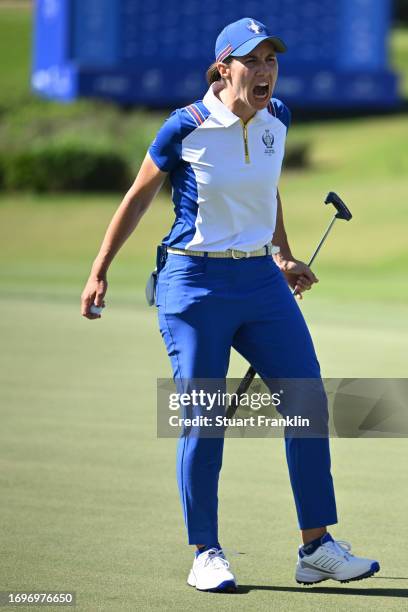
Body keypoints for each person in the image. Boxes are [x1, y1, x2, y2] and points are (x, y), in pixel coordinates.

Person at [81, 17, 380, 594]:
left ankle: (315, 546)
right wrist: (99, 270)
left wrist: (284, 254)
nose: (265, 70)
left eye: (272, 60)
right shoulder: (187, 126)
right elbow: (138, 197)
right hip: (193, 284)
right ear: (224, 69)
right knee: (204, 414)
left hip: (260, 283)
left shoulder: (278, 118)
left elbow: (266, 191)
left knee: (306, 399)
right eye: (253, 61)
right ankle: (206, 551)